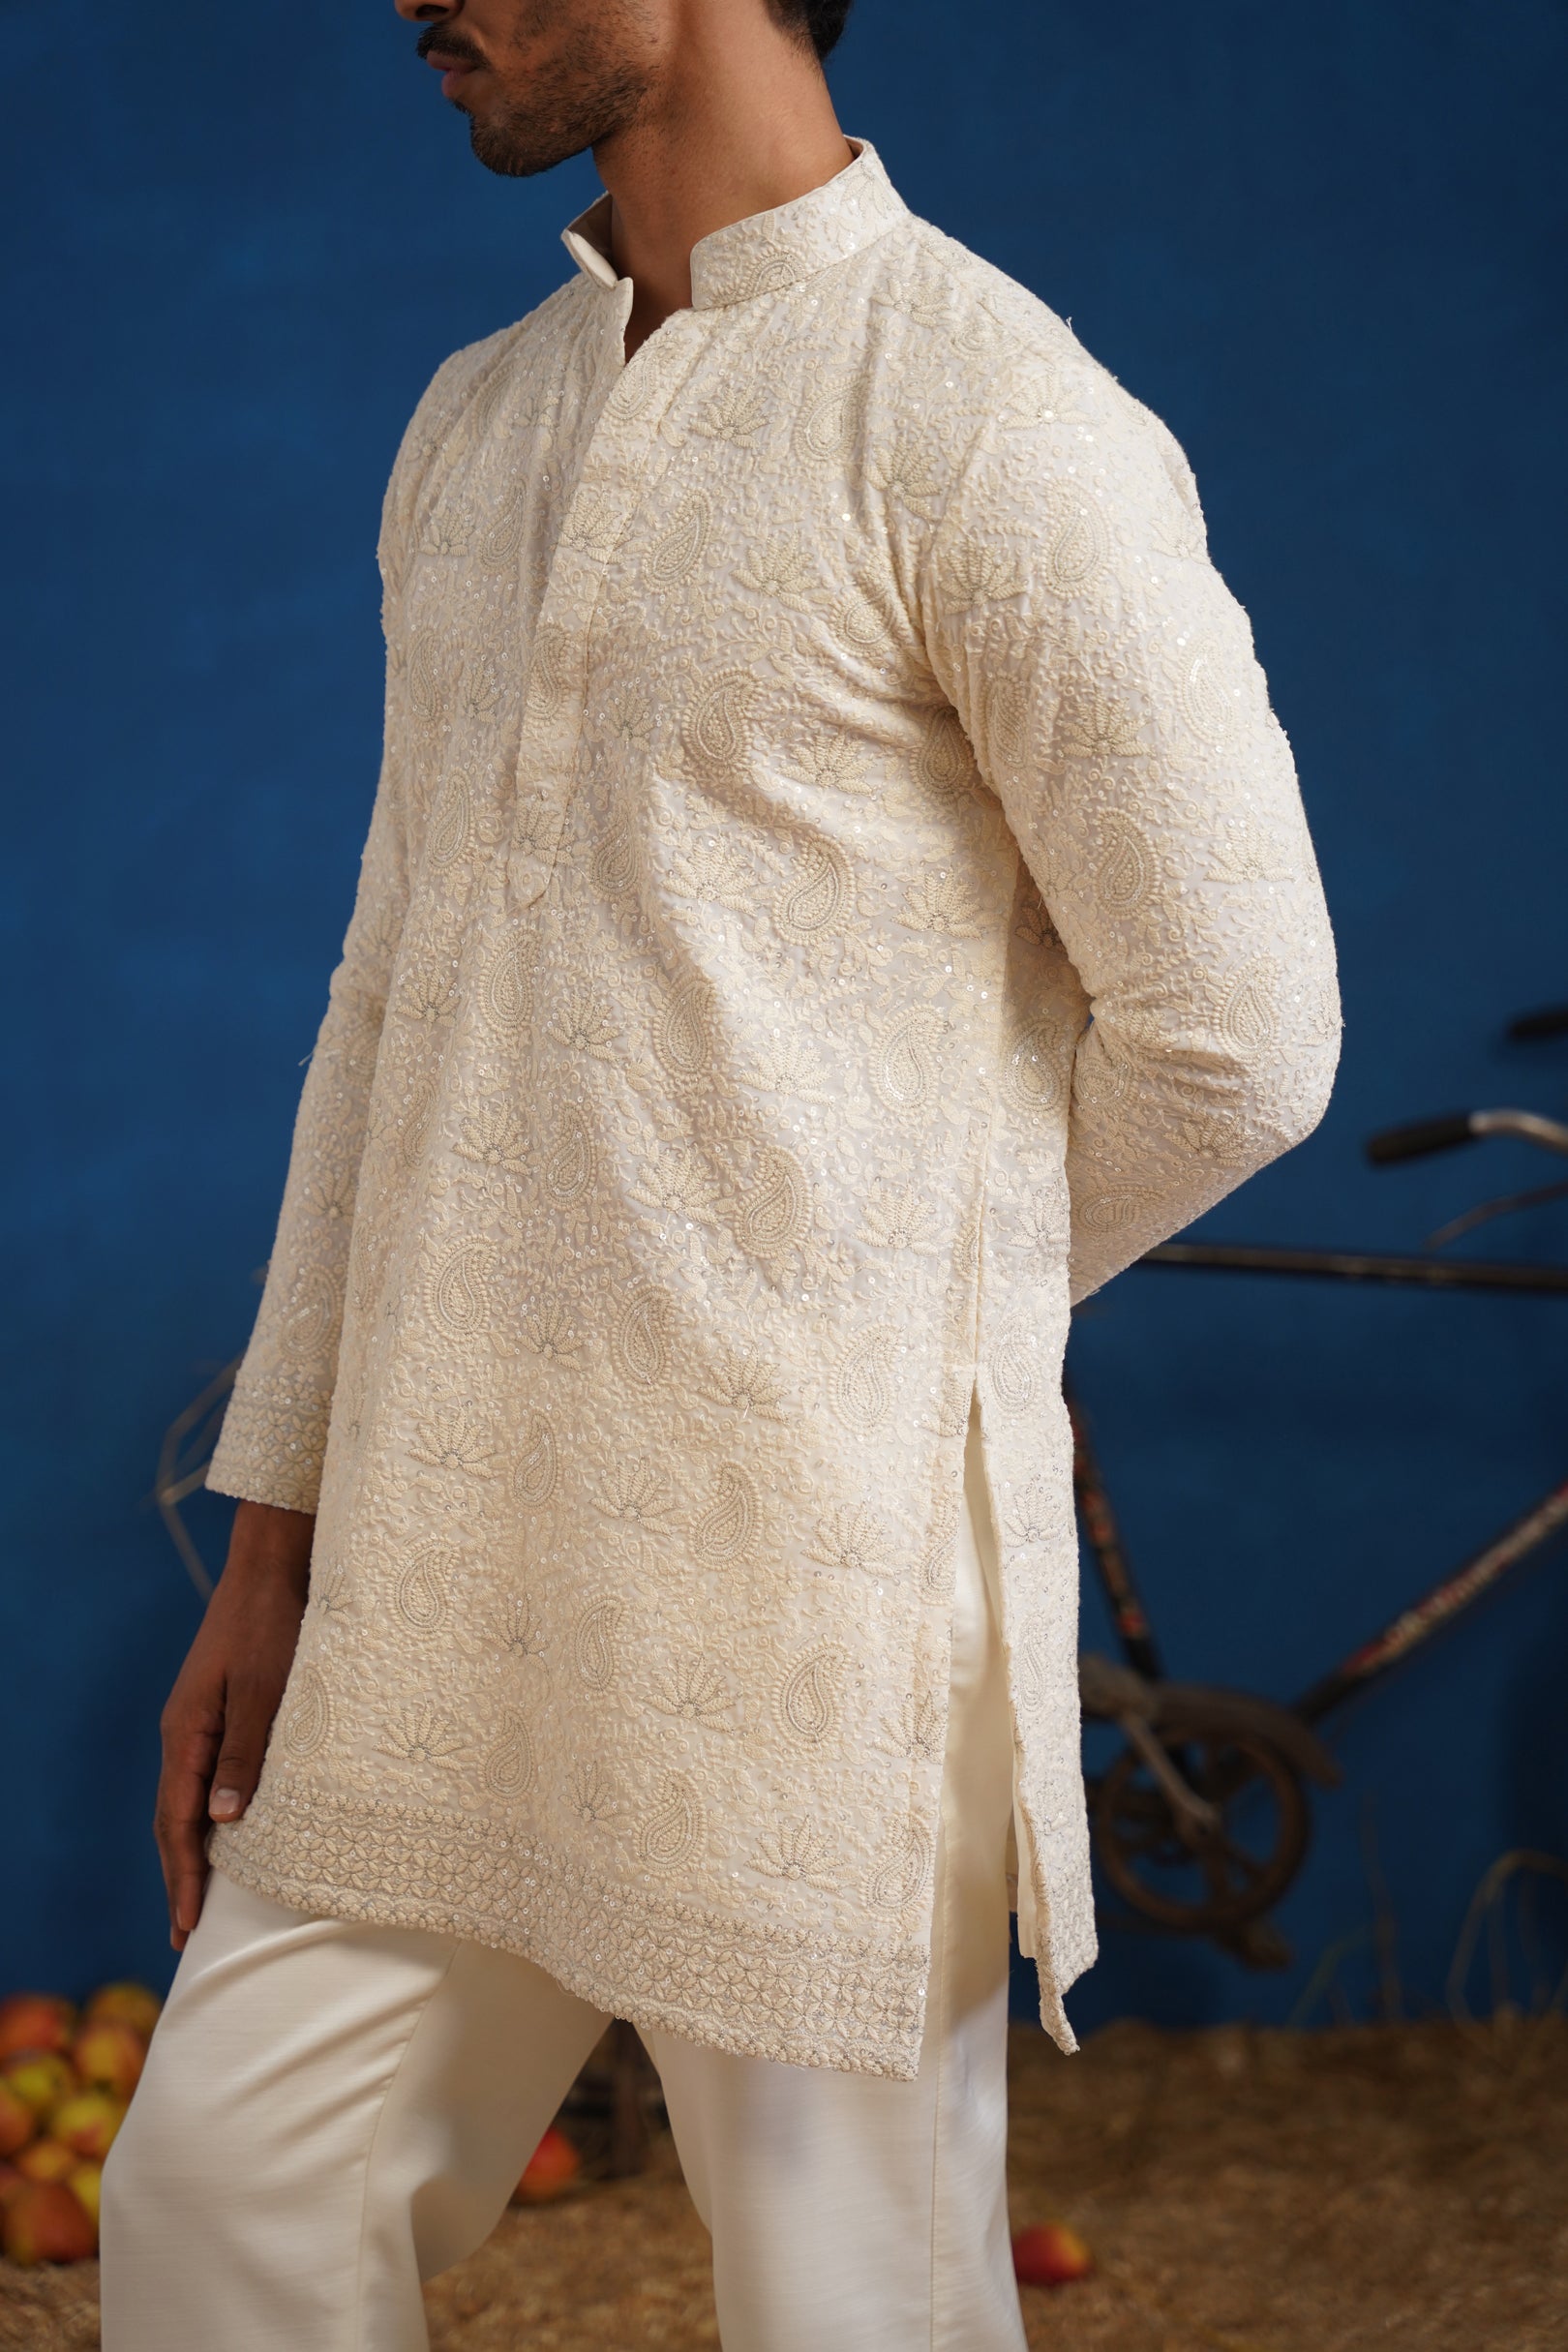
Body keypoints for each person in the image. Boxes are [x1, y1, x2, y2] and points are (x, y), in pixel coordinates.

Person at [100, 0, 1341, 2343]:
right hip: (443, 1560)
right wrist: (274, 1537)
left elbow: (1243, 1034)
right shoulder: (480, 421)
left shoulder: (988, 414)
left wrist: (849, 1319)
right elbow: (388, 1000)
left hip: (811, 1599)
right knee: (223, 2201)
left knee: (850, 2306)